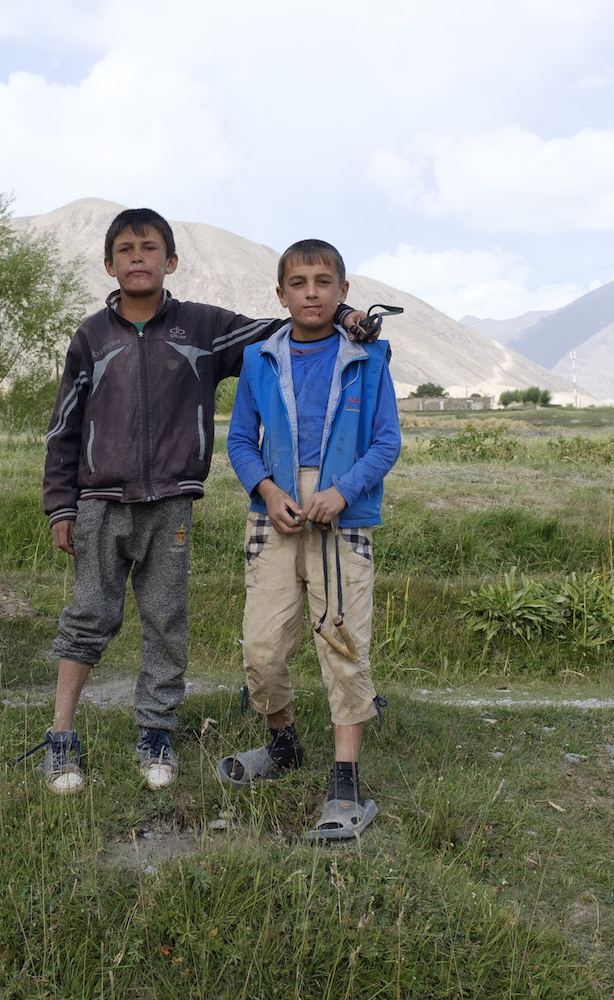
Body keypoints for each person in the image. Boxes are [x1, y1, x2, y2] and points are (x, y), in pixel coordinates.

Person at [21, 209, 376, 794]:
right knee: (88, 617)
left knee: (166, 622)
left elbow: (287, 323)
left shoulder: (203, 328)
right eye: (127, 249)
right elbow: (64, 424)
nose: (139, 257)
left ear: (172, 261)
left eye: (151, 247)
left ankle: (156, 732)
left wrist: (343, 315)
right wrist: (61, 505)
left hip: (172, 505)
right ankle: (61, 733)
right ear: (109, 265)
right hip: (99, 504)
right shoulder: (90, 337)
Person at [218, 238, 400, 840]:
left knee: (343, 644)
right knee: (262, 649)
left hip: (342, 520)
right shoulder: (259, 360)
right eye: (299, 283)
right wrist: (270, 492)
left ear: (344, 291)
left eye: (325, 282)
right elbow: (241, 440)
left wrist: (341, 492)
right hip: (276, 517)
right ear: (281, 295)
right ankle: (284, 745)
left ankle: (346, 780)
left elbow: (385, 442)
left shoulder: (369, 359)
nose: (312, 292)